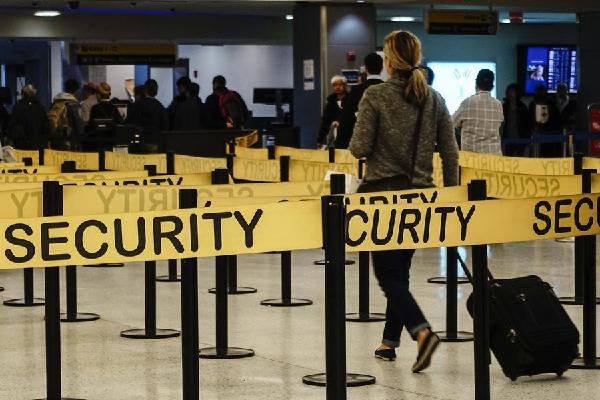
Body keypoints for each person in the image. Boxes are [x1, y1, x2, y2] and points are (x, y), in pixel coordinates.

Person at [349, 30, 459, 373]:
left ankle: (422, 331)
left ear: (389, 61)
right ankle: (389, 342)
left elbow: (359, 148)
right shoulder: (434, 99)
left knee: (387, 274)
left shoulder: (376, 95)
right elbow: (451, 155)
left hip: (382, 195)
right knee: (401, 270)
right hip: (421, 196)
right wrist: (450, 195)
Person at [336, 53, 384, 148]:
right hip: (383, 146)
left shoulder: (356, 91)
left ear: (365, 69)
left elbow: (346, 121)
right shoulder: (388, 90)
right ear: (382, 68)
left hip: (361, 144)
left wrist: (340, 146)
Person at [452, 69, 504, 154]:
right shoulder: (499, 105)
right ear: (492, 86)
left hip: (472, 161)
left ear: (476, 84)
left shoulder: (468, 103)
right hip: (494, 160)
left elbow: (451, 124)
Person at [126, 79, 168, 152]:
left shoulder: (137, 105)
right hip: (156, 142)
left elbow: (129, 123)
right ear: (156, 92)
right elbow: (165, 127)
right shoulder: (161, 107)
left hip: (139, 143)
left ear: (145, 90)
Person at [7, 84, 49, 149]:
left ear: (23, 94)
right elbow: (45, 126)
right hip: (38, 144)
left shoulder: (18, 107)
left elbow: (12, 126)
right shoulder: (40, 107)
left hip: (22, 144)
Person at [47, 78, 84, 150]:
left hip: (55, 141)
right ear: (76, 91)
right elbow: (78, 126)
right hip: (69, 142)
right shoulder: (73, 105)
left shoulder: (55, 103)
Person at [529, 84, 561, 156]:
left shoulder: (551, 105)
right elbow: (530, 119)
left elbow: (555, 120)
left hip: (549, 136)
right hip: (538, 135)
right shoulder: (532, 105)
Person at [317, 75, 348, 148]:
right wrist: (320, 140)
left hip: (348, 135)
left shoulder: (351, 99)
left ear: (345, 85)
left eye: (340, 84)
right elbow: (325, 121)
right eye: (335, 85)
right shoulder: (330, 102)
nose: (337, 87)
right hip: (334, 135)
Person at [502, 83, 531, 156]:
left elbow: (527, 124)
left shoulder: (522, 107)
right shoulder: (504, 106)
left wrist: (527, 138)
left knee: (520, 160)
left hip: (520, 138)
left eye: (512, 91)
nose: (510, 93)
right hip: (508, 139)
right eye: (509, 91)